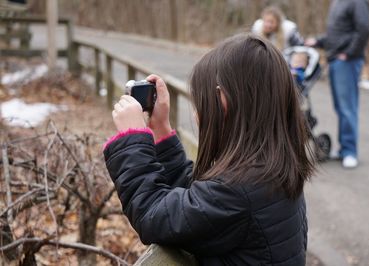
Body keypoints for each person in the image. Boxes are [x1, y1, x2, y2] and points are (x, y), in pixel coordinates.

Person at [103, 34, 315, 265]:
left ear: (222, 99)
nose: (196, 115)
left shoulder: (239, 191)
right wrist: (162, 132)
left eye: (200, 103)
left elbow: (153, 216)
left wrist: (132, 140)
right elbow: (196, 205)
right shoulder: (271, 170)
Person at [305, 0, 369, 168]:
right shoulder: (337, 3)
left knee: (347, 107)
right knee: (340, 107)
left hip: (347, 61)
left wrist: (349, 54)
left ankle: (350, 151)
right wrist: (318, 41)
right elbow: (337, 36)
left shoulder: (357, 2)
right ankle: (343, 150)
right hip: (334, 60)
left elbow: (364, 30)